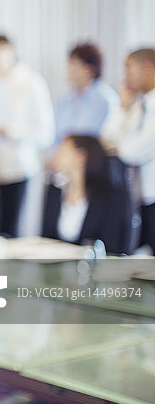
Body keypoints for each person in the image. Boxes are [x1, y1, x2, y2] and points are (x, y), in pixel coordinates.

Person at [0, 34, 55, 237]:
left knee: (15, 228)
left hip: (20, 165)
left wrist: (9, 130)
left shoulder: (31, 82)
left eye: (0, 53)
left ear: (12, 51)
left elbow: (45, 131)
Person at [102, 48, 155, 253]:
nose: (125, 77)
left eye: (128, 69)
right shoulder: (138, 105)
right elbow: (106, 139)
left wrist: (121, 144)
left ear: (147, 67)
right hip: (138, 198)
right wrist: (121, 108)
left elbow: (129, 151)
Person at [42, 135, 131, 254]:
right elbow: (47, 240)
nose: (56, 154)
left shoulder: (112, 197)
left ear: (81, 156)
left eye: (63, 149)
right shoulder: (55, 191)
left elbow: (112, 247)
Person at [53, 42, 119, 145]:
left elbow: (106, 138)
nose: (69, 69)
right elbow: (56, 136)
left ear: (89, 69)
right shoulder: (64, 98)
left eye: (74, 63)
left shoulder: (105, 99)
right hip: (64, 157)